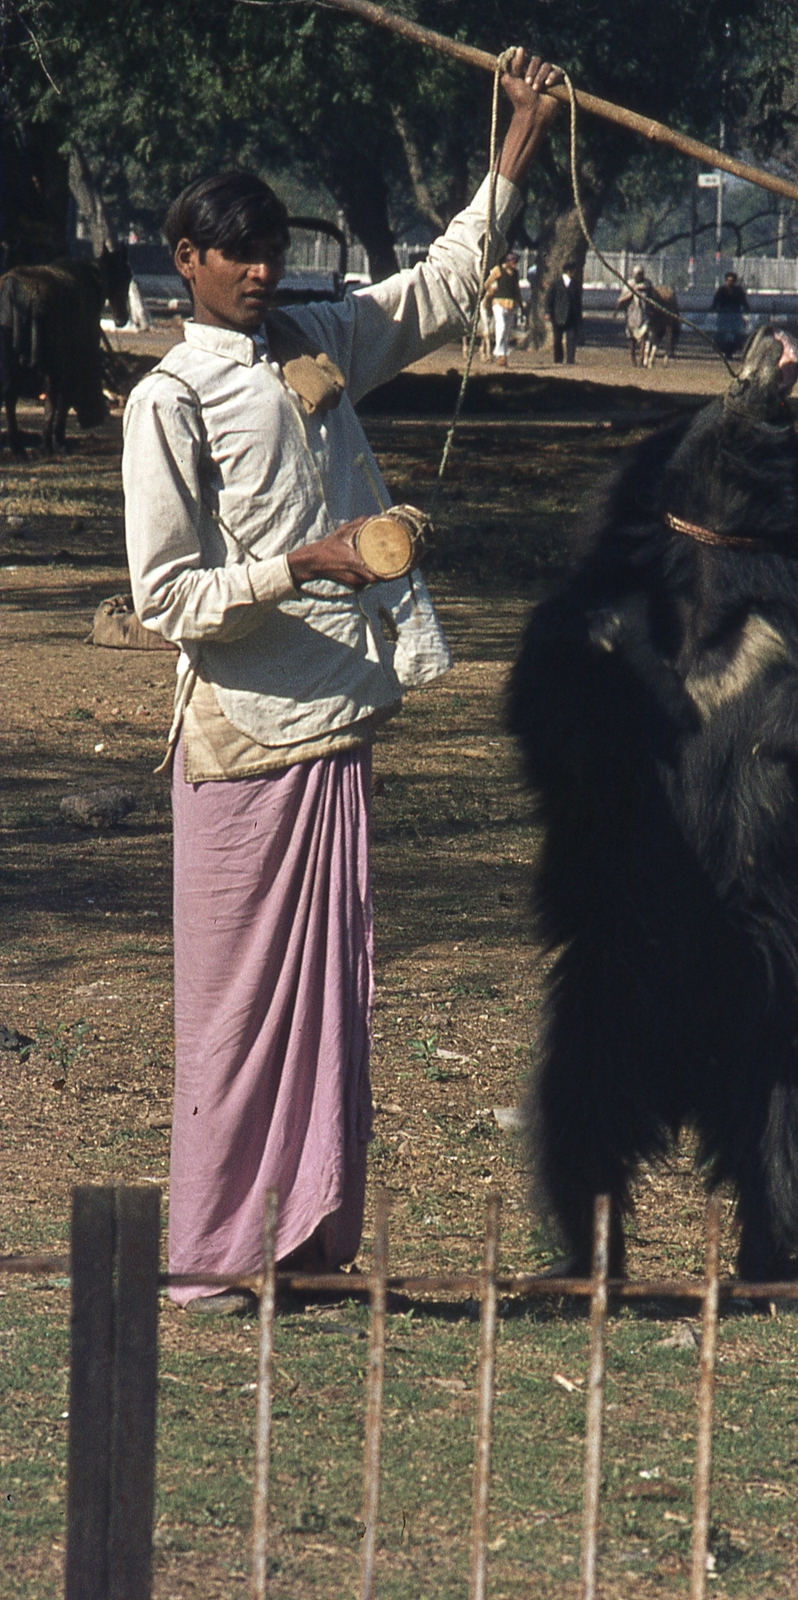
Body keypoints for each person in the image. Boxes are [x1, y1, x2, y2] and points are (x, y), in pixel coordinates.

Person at [122, 48, 563, 1313]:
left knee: (326, 1002)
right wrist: (296, 565)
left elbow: (434, 288)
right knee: (230, 1016)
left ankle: (304, 1240)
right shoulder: (170, 401)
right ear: (183, 259)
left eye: (268, 248)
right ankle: (212, 1254)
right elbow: (166, 600)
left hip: (334, 725)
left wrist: (515, 142)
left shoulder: (312, 338)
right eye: (233, 253)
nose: (257, 270)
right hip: (241, 732)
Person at [484, 249, 523, 366]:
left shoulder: (515, 273)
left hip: (511, 304)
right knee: (501, 325)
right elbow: (487, 283)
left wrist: (520, 304)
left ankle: (503, 355)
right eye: (513, 261)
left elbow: (516, 289)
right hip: (498, 302)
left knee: (507, 332)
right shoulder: (498, 270)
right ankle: (497, 350)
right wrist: (491, 290)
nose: (515, 263)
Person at [615, 266, 650, 365]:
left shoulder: (647, 284)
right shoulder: (629, 285)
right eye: (638, 274)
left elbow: (652, 297)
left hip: (644, 314)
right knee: (632, 339)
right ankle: (633, 359)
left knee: (643, 337)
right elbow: (622, 299)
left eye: (641, 274)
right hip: (632, 315)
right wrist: (616, 311)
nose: (640, 276)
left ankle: (641, 359)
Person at [710, 270, 751, 356]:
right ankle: (721, 346)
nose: (730, 283)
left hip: (735, 315)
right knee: (721, 331)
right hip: (724, 315)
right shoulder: (721, 290)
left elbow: (744, 302)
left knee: (737, 332)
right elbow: (715, 302)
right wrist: (713, 309)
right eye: (729, 281)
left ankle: (735, 347)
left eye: (732, 281)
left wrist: (747, 309)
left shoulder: (739, 291)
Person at [547, 261, 581, 364]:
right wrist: (548, 312)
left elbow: (578, 301)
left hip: (572, 315)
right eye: (573, 270)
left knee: (571, 339)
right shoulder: (556, 283)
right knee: (557, 339)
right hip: (558, 314)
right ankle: (558, 359)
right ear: (569, 271)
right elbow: (550, 298)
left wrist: (579, 316)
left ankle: (570, 359)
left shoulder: (575, 284)